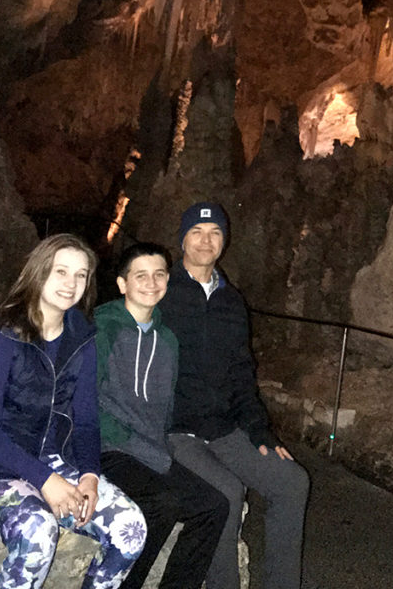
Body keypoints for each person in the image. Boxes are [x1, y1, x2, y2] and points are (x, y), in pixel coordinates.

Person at [0, 233, 147, 589]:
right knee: (37, 530)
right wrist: (46, 481)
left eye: (81, 275)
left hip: (51, 457)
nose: (71, 283)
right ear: (37, 272)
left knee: (131, 529)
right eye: (60, 271)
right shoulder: (1, 337)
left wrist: (89, 476)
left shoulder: (81, 337)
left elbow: (85, 419)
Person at [159, 202, 309, 589]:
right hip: (175, 430)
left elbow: (243, 373)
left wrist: (261, 433)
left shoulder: (231, 302)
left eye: (215, 233)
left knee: (292, 482)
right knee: (226, 493)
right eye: (197, 232)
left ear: (224, 241)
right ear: (182, 240)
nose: (206, 241)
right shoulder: (160, 293)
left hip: (224, 429)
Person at [95, 242, 229, 589]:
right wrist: (126, 441)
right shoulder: (102, 329)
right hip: (109, 447)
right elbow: (87, 401)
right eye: (141, 275)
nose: (151, 282)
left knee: (213, 505)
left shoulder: (167, 339)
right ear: (123, 283)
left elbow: (165, 405)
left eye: (159, 274)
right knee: (162, 503)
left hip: (150, 449)